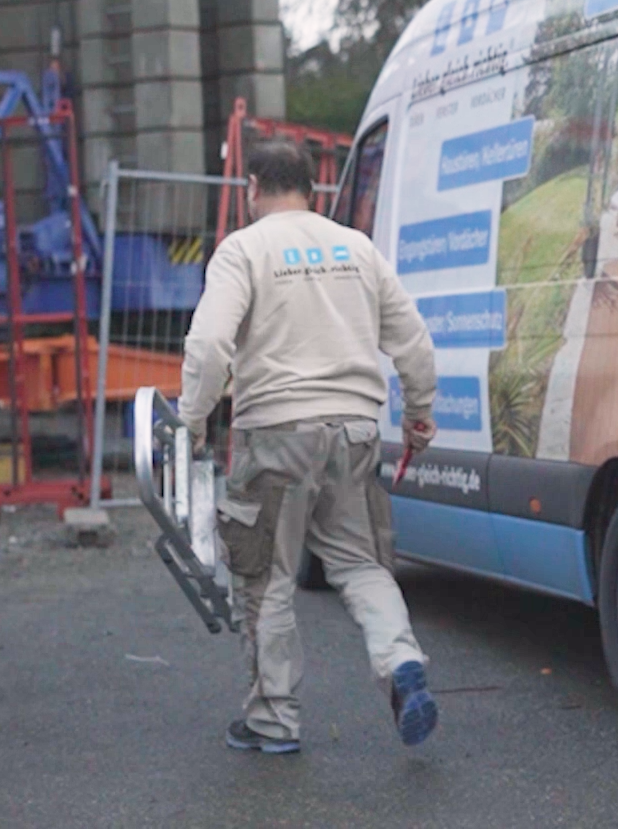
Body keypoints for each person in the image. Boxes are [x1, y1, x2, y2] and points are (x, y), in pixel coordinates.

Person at [179, 140, 440, 754]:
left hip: (277, 434)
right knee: (361, 565)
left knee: (267, 578)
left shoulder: (243, 249)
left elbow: (211, 345)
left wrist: (192, 422)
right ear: (313, 189)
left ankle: (273, 721)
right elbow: (414, 342)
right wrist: (420, 413)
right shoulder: (357, 247)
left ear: (251, 188)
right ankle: (401, 662)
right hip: (355, 430)